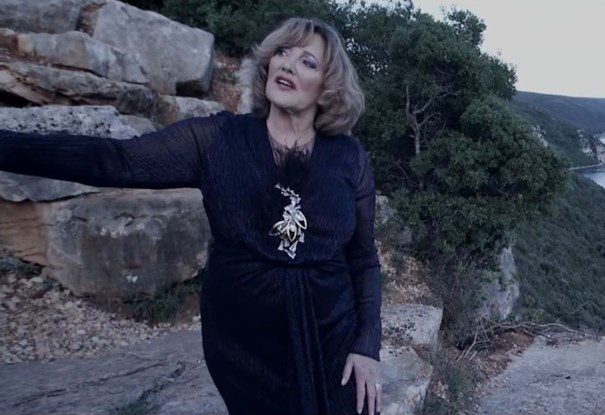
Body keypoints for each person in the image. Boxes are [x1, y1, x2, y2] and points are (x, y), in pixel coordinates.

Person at [0, 17, 383, 415]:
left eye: (307, 62)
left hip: (332, 334)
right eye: (282, 53)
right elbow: (116, 160)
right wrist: (5, 146)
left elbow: (363, 257)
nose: (287, 64)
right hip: (246, 345)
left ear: (328, 87)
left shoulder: (349, 158)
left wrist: (367, 344)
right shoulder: (216, 139)